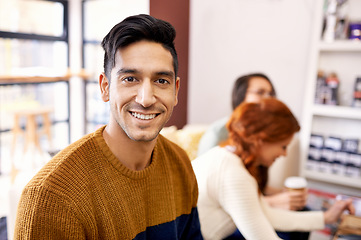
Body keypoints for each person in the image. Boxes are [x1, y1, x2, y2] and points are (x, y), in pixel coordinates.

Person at [14, 14, 203, 240]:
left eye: (161, 81)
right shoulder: (52, 197)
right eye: (130, 79)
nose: (146, 99)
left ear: (175, 91)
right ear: (105, 87)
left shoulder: (180, 164)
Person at [192, 98, 355, 240]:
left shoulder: (226, 157)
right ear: (261, 140)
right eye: (283, 146)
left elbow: (268, 215)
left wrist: (326, 217)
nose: (284, 154)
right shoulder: (234, 174)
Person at [198, 73, 306, 212]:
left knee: (303, 210)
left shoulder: (264, 135)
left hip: (249, 203)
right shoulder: (217, 134)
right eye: (260, 92)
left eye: (271, 94)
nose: (268, 98)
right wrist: (271, 202)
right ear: (240, 97)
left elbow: (254, 185)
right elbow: (213, 194)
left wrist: (284, 194)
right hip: (225, 213)